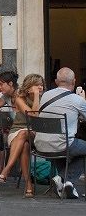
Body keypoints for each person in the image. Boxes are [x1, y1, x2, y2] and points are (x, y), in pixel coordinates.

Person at [34, 67, 86, 199]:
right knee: (78, 147)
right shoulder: (77, 100)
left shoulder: (45, 95)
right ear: (74, 81)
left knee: (77, 150)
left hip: (40, 144)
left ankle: (67, 183)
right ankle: (62, 178)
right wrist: (83, 99)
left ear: (56, 81)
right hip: (62, 145)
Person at [0, 74, 45, 198]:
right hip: (16, 132)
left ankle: (6, 169)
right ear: (29, 87)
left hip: (36, 134)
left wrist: (37, 96)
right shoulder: (19, 98)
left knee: (25, 135)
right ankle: (28, 185)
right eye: (37, 85)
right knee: (24, 144)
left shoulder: (45, 97)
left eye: (42, 85)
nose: (40, 88)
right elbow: (32, 115)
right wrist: (37, 97)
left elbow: (35, 117)